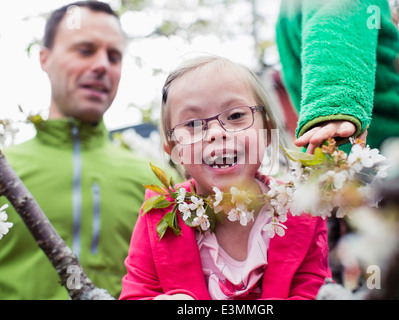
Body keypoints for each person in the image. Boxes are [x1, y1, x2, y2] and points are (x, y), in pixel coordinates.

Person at [119, 55, 332, 300]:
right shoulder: (159, 216)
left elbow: (313, 289)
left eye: (235, 116)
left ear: (267, 131)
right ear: (172, 148)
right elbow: (137, 292)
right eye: (194, 123)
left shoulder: (300, 209)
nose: (217, 133)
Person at [0, 1, 169, 299]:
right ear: (45, 58)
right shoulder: (6, 170)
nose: (102, 65)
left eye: (114, 56)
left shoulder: (157, 182)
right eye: (85, 50)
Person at [276, 0, 399, 154]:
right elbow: (338, 20)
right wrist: (333, 104)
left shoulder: (286, 13)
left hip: (331, 154)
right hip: (384, 147)